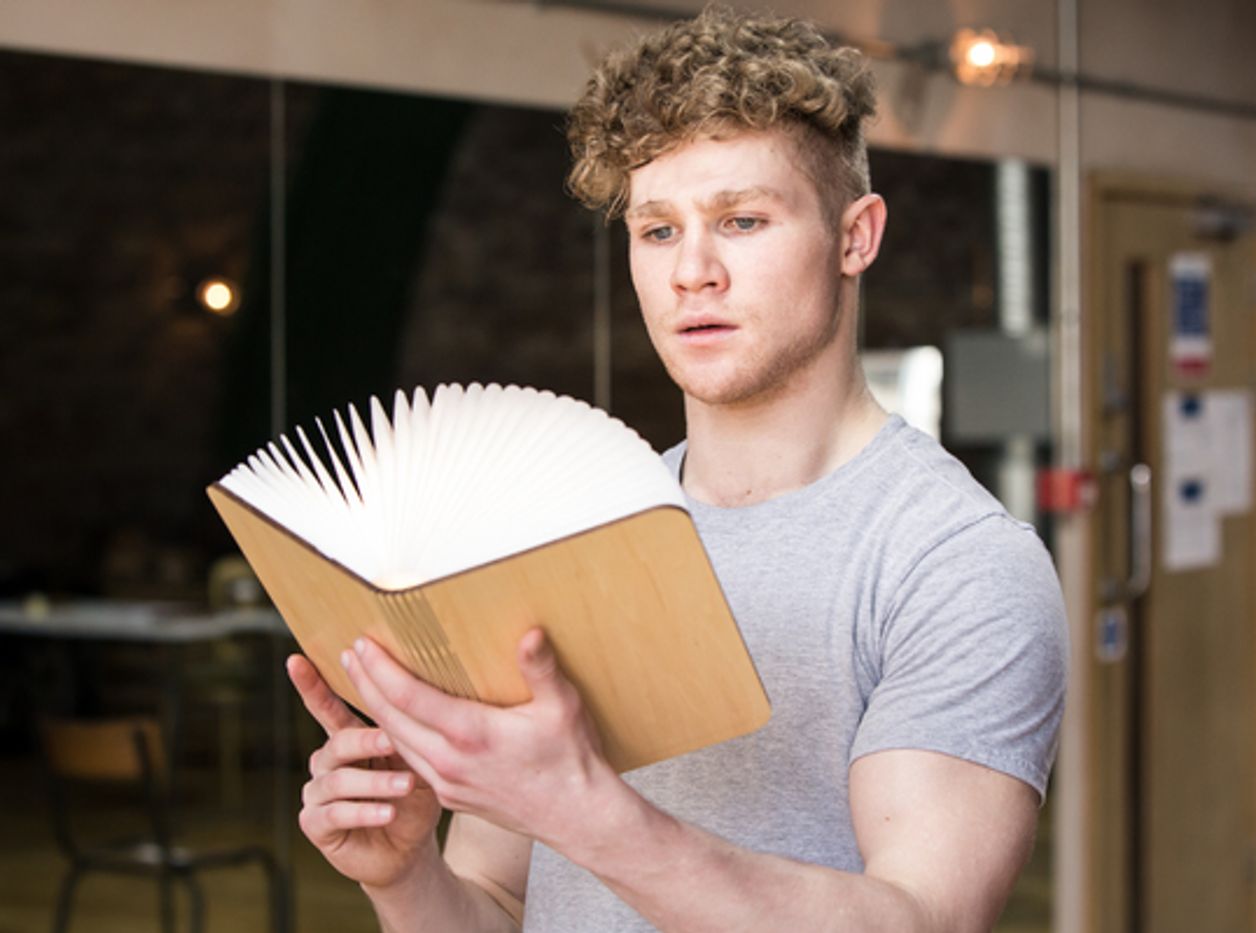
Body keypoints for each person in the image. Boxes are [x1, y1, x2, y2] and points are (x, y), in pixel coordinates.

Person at [287, 6, 1069, 931]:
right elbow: (495, 902)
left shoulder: (957, 563)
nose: (693, 271)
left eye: (742, 220)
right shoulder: (569, 536)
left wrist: (585, 811)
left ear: (856, 237)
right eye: (658, 230)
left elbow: (921, 919)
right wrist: (406, 875)